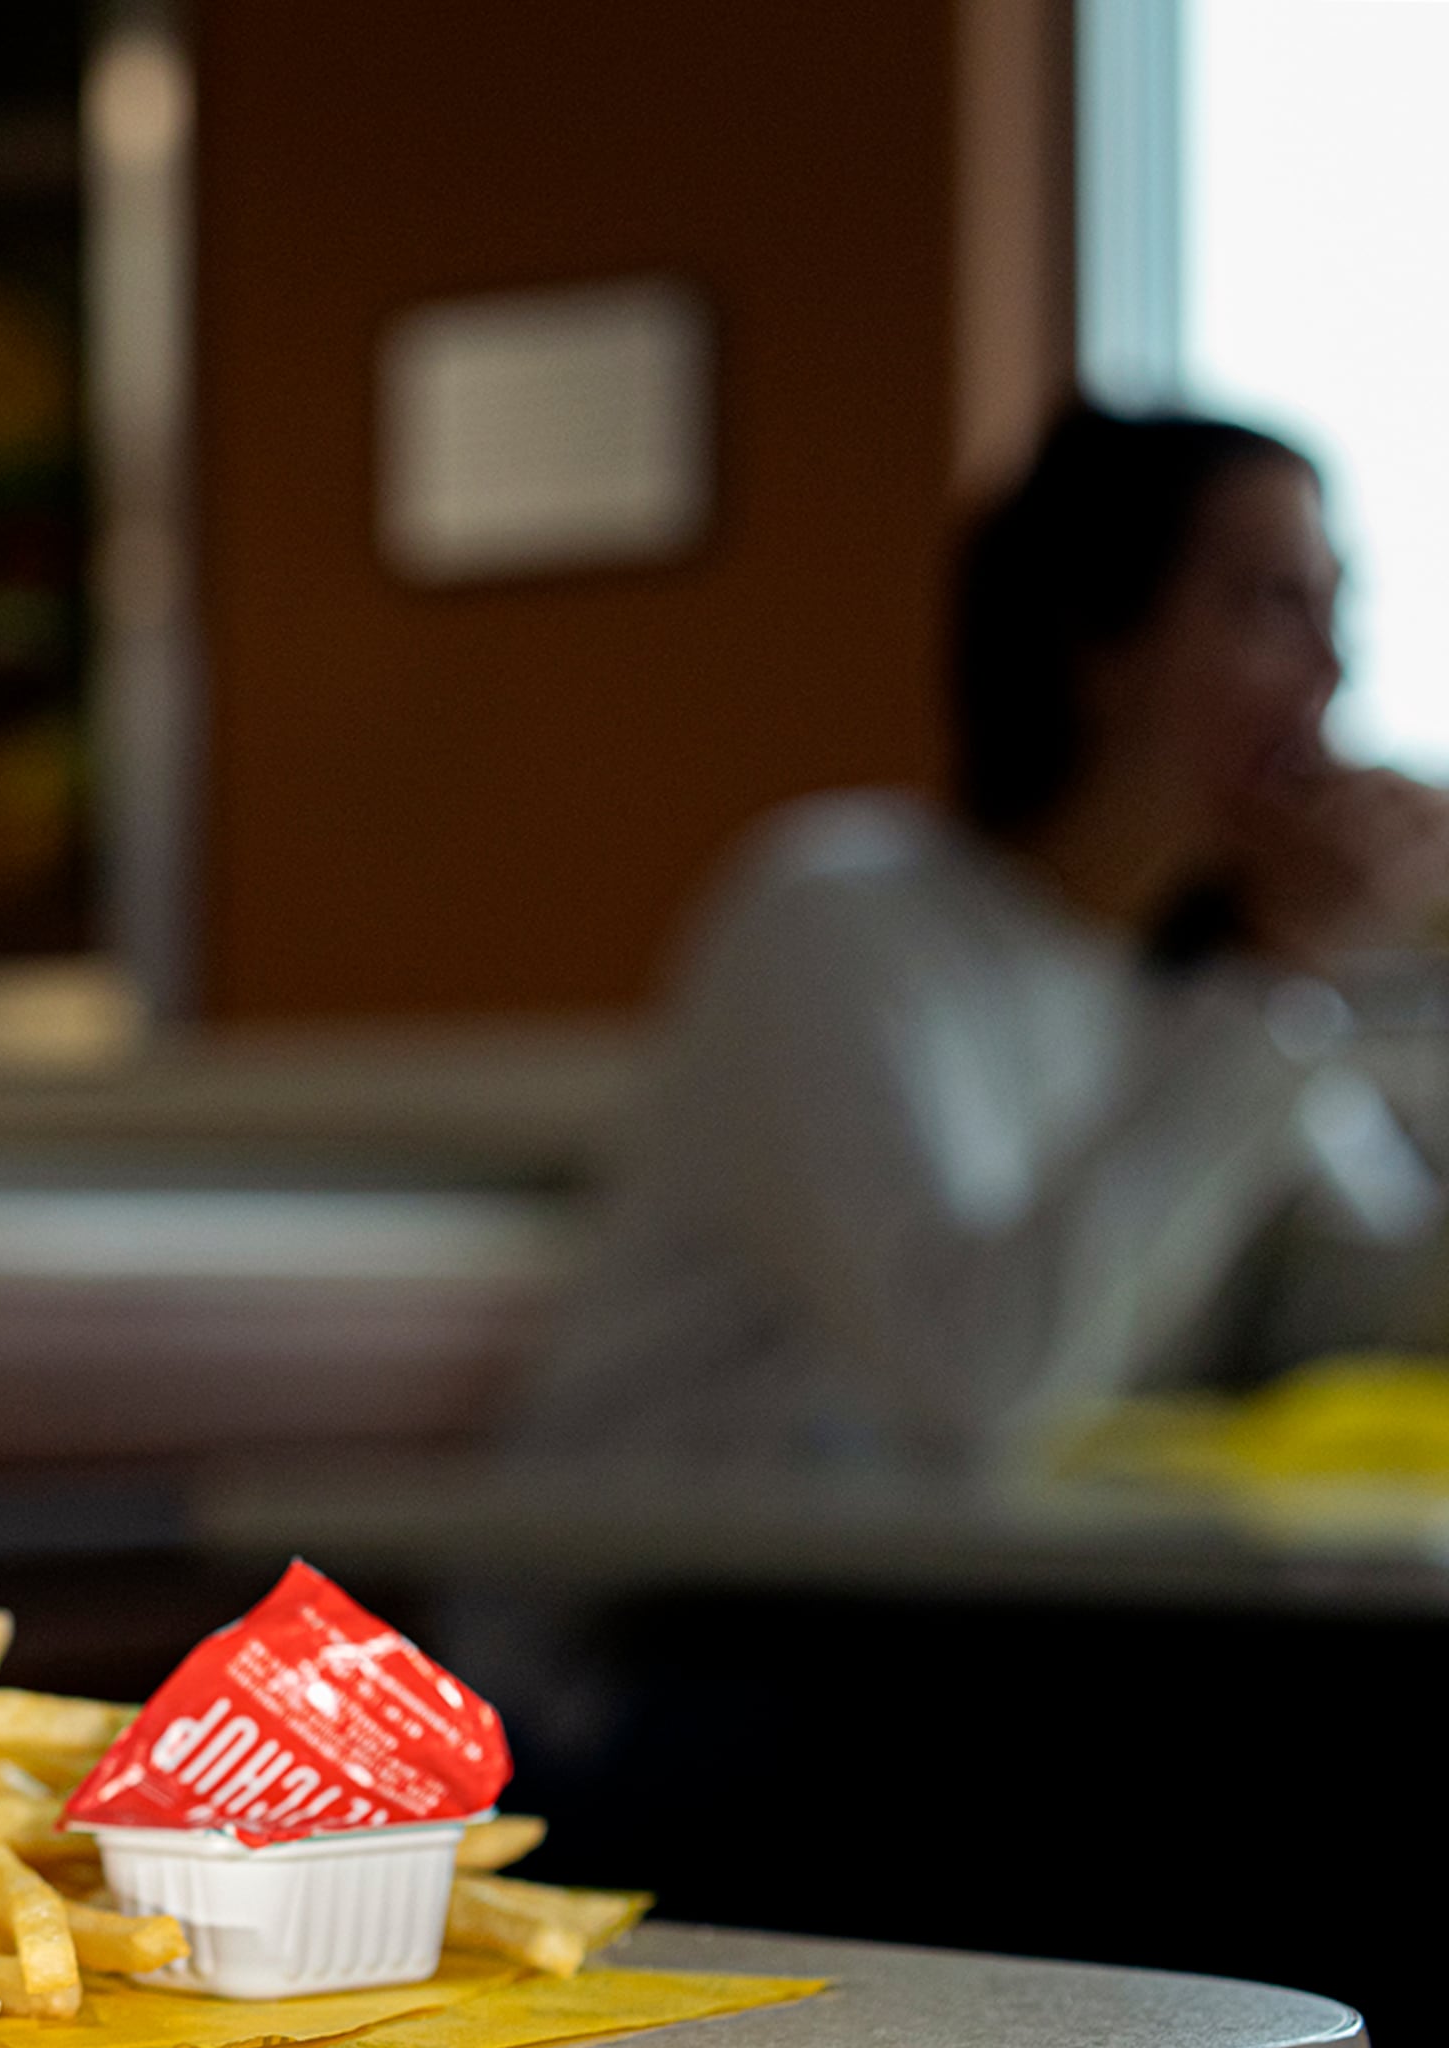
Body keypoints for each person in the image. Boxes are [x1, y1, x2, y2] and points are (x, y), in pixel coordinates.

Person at [517, 405, 1449, 1473]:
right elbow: (975, 1385)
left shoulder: (1193, 985)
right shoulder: (838, 913)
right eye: (1272, 606)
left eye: (1342, 611)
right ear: (1099, 645)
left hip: (983, 1602)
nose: (1331, 672)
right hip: (678, 1596)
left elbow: (1383, 1325)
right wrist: (1281, 983)